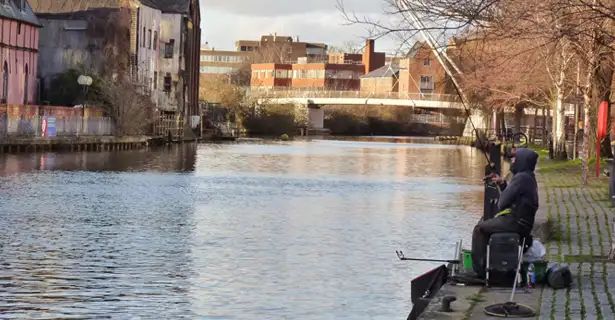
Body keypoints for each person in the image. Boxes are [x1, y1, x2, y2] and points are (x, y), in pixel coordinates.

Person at [471, 147, 539, 278]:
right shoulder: (529, 177)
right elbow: (515, 197)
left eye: (515, 159)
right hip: (524, 223)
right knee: (487, 225)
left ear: (522, 161)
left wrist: (504, 190)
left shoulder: (520, 178)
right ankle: (489, 264)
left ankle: (480, 271)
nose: (512, 161)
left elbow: (502, 203)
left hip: (515, 222)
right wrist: (502, 184)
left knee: (479, 229)